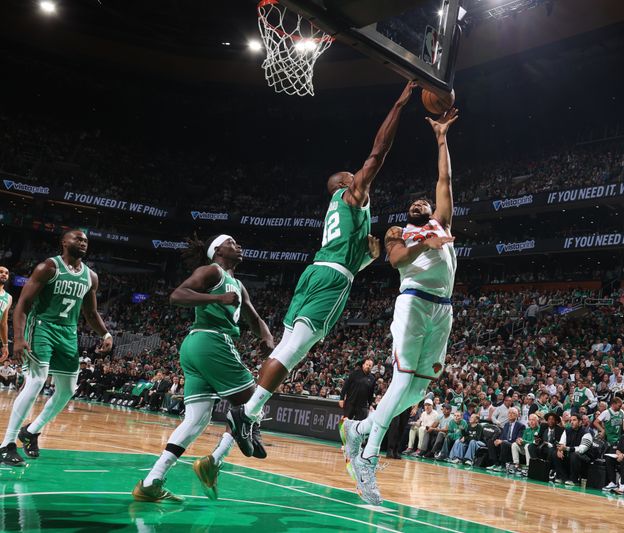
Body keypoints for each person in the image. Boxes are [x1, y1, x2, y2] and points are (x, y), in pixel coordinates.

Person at [237, 83, 415, 442]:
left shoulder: (339, 211)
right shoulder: (352, 194)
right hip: (331, 279)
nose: (360, 175)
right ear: (347, 182)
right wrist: (399, 103)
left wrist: (365, 258)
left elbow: (351, 253)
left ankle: (226, 445)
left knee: (291, 351)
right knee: (291, 351)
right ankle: (247, 412)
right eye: (355, 175)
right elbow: (378, 152)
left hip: (314, 273)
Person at [339, 104, 459, 505]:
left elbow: (445, 178)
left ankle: (357, 430)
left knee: (417, 390)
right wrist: (425, 241)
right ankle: (367, 458)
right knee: (402, 381)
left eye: (424, 203)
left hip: (443, 308)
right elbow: (395, 260)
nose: (419, 204)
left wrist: (441, 138)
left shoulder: (441, 222)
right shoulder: (400, 232)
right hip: (413, 304)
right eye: (414, 205)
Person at [132, 234, 274, 503]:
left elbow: (254, 318)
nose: (239, 245)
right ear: (217, 250)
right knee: (255, 400)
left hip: (195, 347)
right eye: (232, 242)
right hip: (212, 340)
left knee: (196, 419)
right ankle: (216, 459)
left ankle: (152, 480)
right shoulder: (212, 271)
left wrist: (266, 337)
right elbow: (177, 295)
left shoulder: (239, 285)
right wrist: (218, 299)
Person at [0, 230, 113, 467]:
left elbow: (90, 313)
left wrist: (105, 333)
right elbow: (23, 304)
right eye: (77, 239)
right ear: (63, 242)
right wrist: (18, 338)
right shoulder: (48, 267)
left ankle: (31, 431)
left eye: (85, 240)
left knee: (67, 390)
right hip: (42, 327)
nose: (82, 242)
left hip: (68, 332)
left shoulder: (90, 276)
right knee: (36, 381)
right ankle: (6, 444)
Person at [487, 407, 525, 472]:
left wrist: (502, 441)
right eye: (509, 413)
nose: (510, 414)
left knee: (504, 443)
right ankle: (496, 463)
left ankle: (503, 466)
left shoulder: (521, 426)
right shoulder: (506, 425)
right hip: (504, 443)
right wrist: (498, 440)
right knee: (491, 441)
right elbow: (502, 436)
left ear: (516, 415)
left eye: (513, 413)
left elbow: (517, 439)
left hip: (513, 445)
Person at [0, 266, 12, 363]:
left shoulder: (8, 298)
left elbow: (3, 323)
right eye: (1, 272)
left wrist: (5, 345)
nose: (4, 274)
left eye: (6, 273)